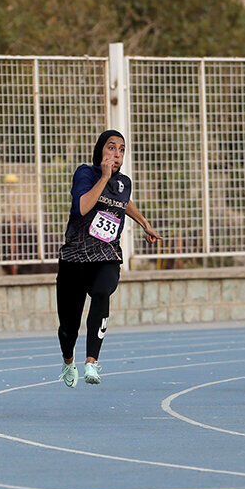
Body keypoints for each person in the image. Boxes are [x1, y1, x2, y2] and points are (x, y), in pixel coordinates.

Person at [56, 129, 161, 388]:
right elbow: (82, 207)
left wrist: (144, 223)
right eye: (111, 147)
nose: (117, 154)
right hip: (75, 257)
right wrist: (103, 177)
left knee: (103, 290)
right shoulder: (85, 173)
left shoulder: (124, 182)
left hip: (106, 254)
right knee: (68, 327)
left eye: (122, 150)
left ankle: (92, 360)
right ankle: (68, 360)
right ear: (100, 150)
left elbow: (124, 203)